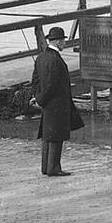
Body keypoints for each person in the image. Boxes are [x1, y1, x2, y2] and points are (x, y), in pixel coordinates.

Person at [31, 27, 84, 177]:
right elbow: (51, 85)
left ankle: (46, 167)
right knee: (56, 136)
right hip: (57, 103)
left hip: (48, 103)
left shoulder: (41, 57)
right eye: (63, 41)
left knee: (48, 135)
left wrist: (38, 97)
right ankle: (54, 168)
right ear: (59, 42)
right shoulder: (56, 60)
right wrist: (41, 100)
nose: (65, 44)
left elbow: (35, 81)